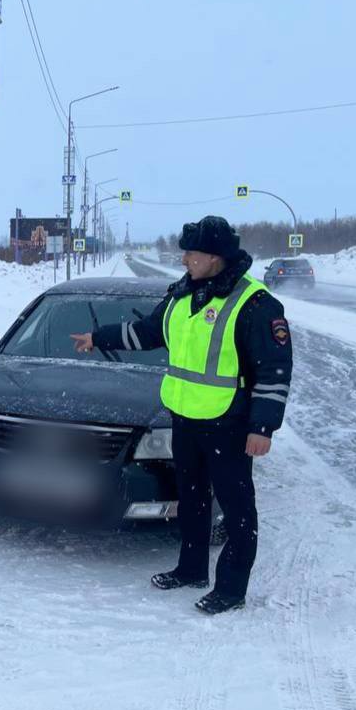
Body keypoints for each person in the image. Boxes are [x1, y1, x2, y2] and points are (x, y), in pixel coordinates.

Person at [70, 215, 292, 614]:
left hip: (230, 422)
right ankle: (191, 569)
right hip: (185, 419)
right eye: (185, 250)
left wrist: (263, 426)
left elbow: (274, 370)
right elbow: (148, 332)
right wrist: (97, 338)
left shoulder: (254, 303)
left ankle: (231, 589)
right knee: (191, 500)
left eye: (193, 251)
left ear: (217, 256)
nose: (185, 257)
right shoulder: (182, 295)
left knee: (237, 510)